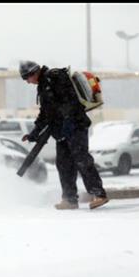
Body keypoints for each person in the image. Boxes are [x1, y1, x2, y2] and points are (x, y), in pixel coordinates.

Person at [19, 60, 109, 210]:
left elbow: (70, 101)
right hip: (61, 131)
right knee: (63, 164)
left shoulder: (55, 77)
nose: (27, 82)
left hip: (75, 127)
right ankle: (70, 199)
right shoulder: (43, 86)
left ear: (33, 73)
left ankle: (99, 194)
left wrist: (68, 122)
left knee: (82, 159)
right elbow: (45, 113)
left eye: (26, 78)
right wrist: (34, 133)